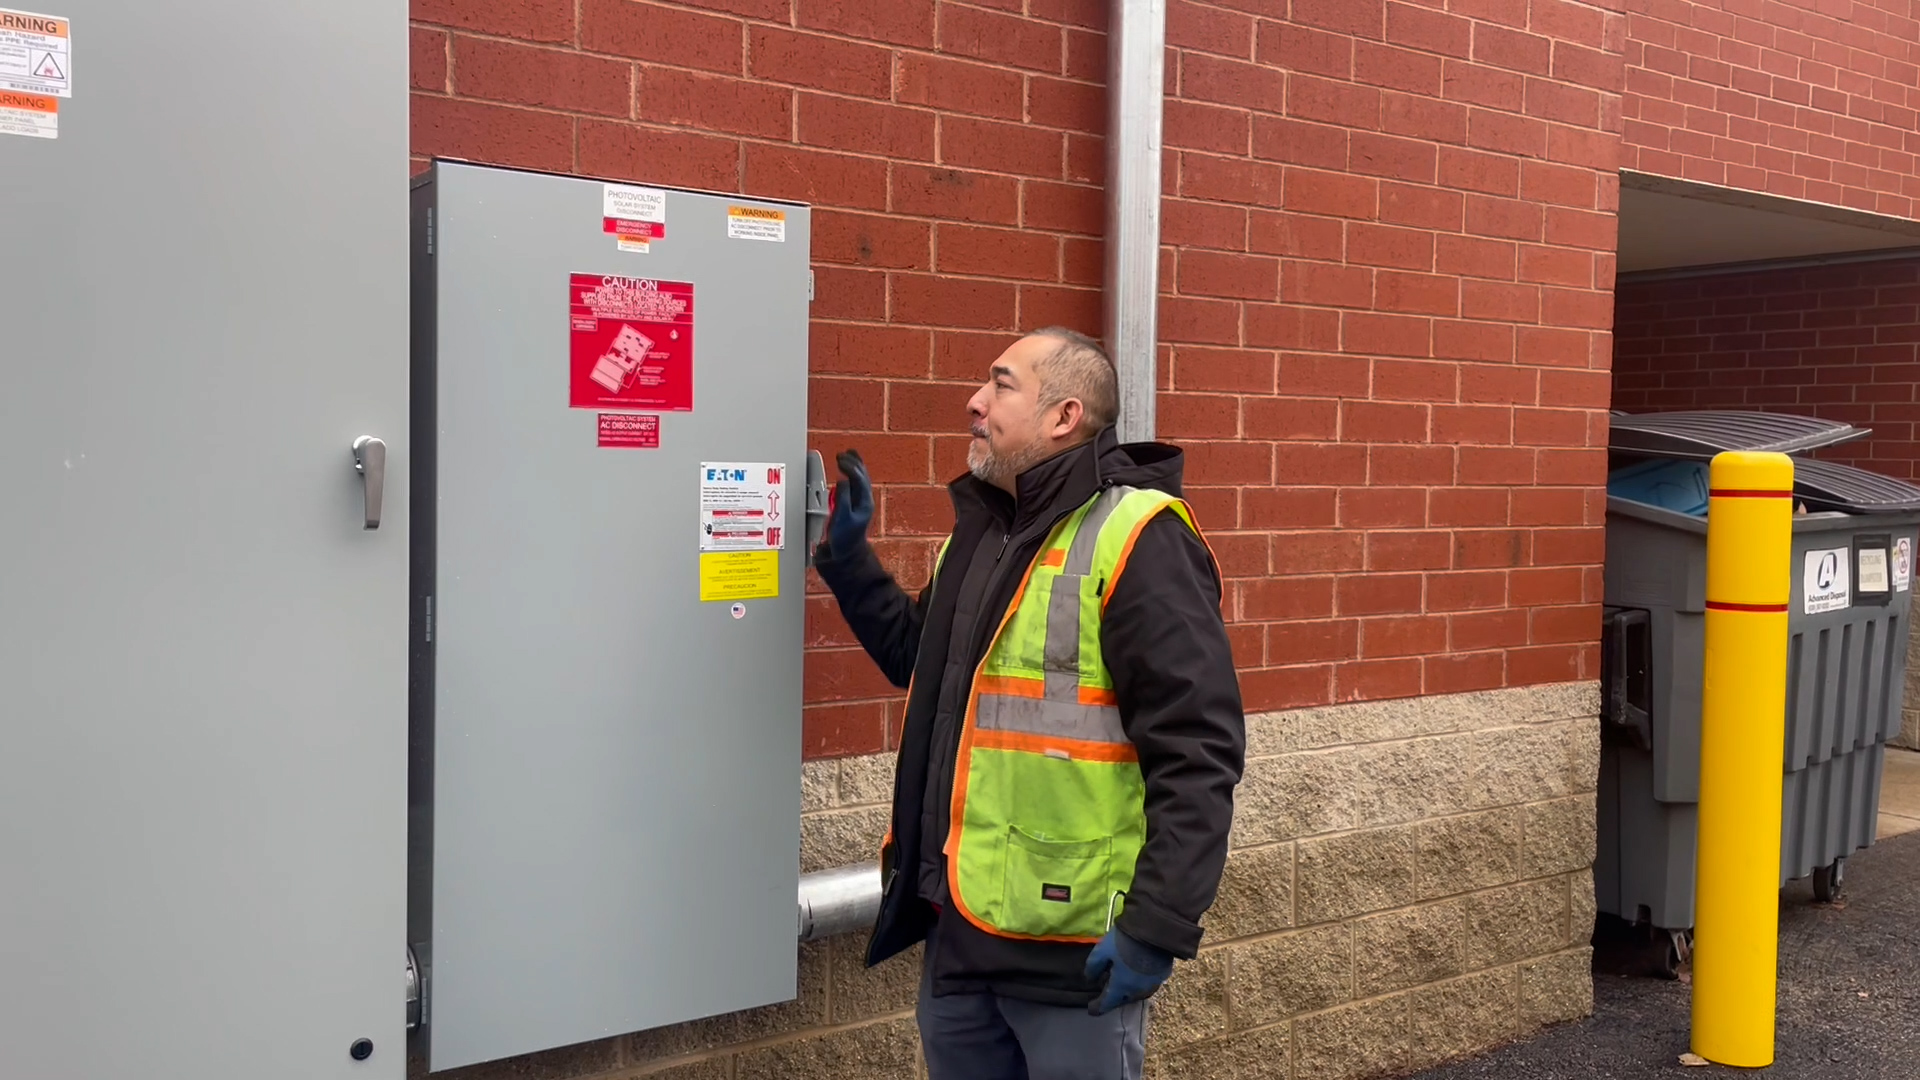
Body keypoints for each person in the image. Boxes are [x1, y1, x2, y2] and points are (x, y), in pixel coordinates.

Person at [812, 327, 1246, 1080]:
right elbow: (916, 659)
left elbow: (1198, 748)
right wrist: (849, 562)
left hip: (1069, 954)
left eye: (1001, 384)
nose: (974, 403)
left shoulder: (1136, 537)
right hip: (960, 931)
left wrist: (1158, 926)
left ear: (1064, 415)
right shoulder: (980, 536)